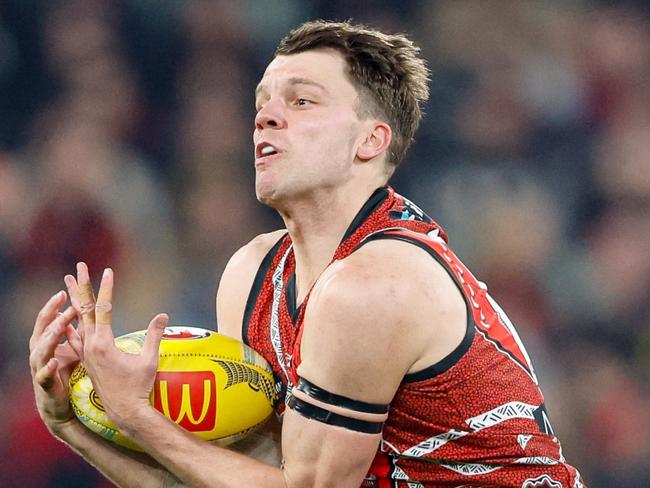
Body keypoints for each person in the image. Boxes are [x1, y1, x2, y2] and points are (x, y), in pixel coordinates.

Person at [29, 20, 587, 487]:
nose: (265, 117)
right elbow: (230, 477)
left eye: (301, 101)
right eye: (263, 103)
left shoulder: (376, 282)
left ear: (371, 140)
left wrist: (136, 415)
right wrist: (70, 426)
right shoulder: (250, 273)